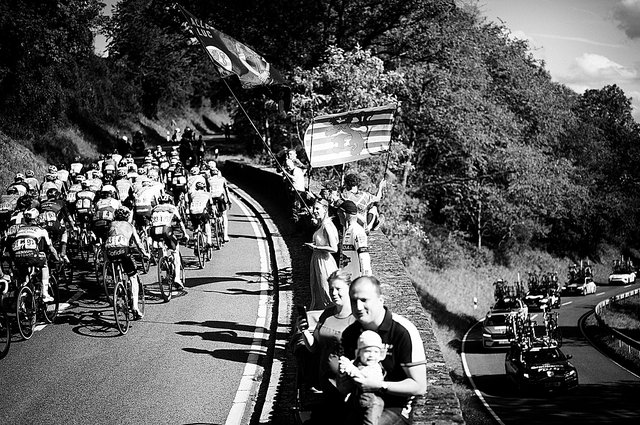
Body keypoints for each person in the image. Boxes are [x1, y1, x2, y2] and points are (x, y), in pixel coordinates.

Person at [340, 276, 427, 425]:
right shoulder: (350, 334)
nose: (358, 307)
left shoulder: (402, 331)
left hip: (395, 407)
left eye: (364, 300)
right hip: (360, 401)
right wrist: (345, 378)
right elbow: (343, 387)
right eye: (354, 301)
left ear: (381, 300)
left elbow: (419, 386)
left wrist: (379, 385)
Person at [297, 269, 356, 424]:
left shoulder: (357, 318)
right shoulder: (327, 314)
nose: (333, 293)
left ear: (349, 288)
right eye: (331, 289)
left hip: (346, 387)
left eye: (338, 289)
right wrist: (303, 330)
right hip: (325, 384)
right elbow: (314, 347)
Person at [105, 207, 149, 319]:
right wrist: (145, 254)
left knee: (114, 265)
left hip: (109, 251)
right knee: (133, 277)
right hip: (123, 250)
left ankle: (117, 285)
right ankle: (135, 307)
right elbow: (138, 243)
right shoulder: (130, 226)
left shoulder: (111, 224)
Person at [10, 208, 61, 302]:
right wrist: (58, 258)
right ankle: (45, 294)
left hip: (17, 255)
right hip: (32, 254)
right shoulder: (41, 230)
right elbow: (51, 248)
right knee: (44, 264)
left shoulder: (19, 229)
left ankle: (21, 297)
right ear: (37, 218)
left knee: (24, 276)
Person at [339, 330, 386, 425]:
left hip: (372, 402)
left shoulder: (376, 367)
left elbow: (364, 378)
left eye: (376, 352)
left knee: (369, 422)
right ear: (359, 353)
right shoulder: (357, 364)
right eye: (367, 351)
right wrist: (343, 369)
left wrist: (350, 368)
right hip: (355, 400)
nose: (372, 355)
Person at [305, 199, 339, 310]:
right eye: (314, 208)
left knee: (326, 294)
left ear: (325, 209)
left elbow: (334, 248)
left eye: (317, 208)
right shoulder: (323, 224)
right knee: (318, 292)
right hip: (318, 260)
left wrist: (316, 247)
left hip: (324, 263)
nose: (314, 210)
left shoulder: (326, 225)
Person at [150, 194, 189, 288]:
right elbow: (180, 222)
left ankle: (162, 259)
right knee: (175, 250)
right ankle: (177, 279)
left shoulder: (154, 208)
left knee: (160, 243)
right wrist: (185, 234)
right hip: (166, 229)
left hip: (154, 230)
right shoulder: (172, 207)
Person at [339, 200, 371, 279]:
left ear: (344, 214)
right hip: (347, 280)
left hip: (356, 281)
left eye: (338, 214)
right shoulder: (347, 230)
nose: (338, 217)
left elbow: (364, 256)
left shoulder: (357, 231)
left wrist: (365, 279)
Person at [206, 162, 231, 242]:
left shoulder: (208, 179)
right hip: (220, 197)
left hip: (211, 198)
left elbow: (207, 190)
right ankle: (225, 235)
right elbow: (226, 190)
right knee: (224, 215)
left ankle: (213, 220)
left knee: (210, 214)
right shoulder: (222, 179)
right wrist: (229, 200)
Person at [189, 181, 213, 250]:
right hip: (202, 211)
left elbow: (190, 202)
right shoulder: (208, 194)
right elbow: (211, 203)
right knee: (206, 223)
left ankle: (196, 245)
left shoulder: (192, 194)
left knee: (195, 227)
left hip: (193, 211)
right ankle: (209, 241)